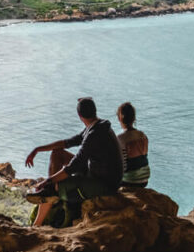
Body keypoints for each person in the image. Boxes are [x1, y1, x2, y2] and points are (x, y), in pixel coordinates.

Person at [23, 97, 123, 227]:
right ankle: (49, 195)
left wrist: (48, 181)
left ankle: (41, 216)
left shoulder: (94, 134)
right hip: (98, 173)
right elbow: (67, 143)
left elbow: (74, 166)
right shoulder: (97, 126)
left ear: (79, 116)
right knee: (57, 153)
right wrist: (37, 149)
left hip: (104, 184)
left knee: (55, 184)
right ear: (95, 111)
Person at [116, 102, 150, 188]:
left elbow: (119, 165)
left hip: (129, 181)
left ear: (120, 118)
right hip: (145, 180)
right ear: (134, 118)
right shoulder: (143, 135)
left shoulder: (120, 138)